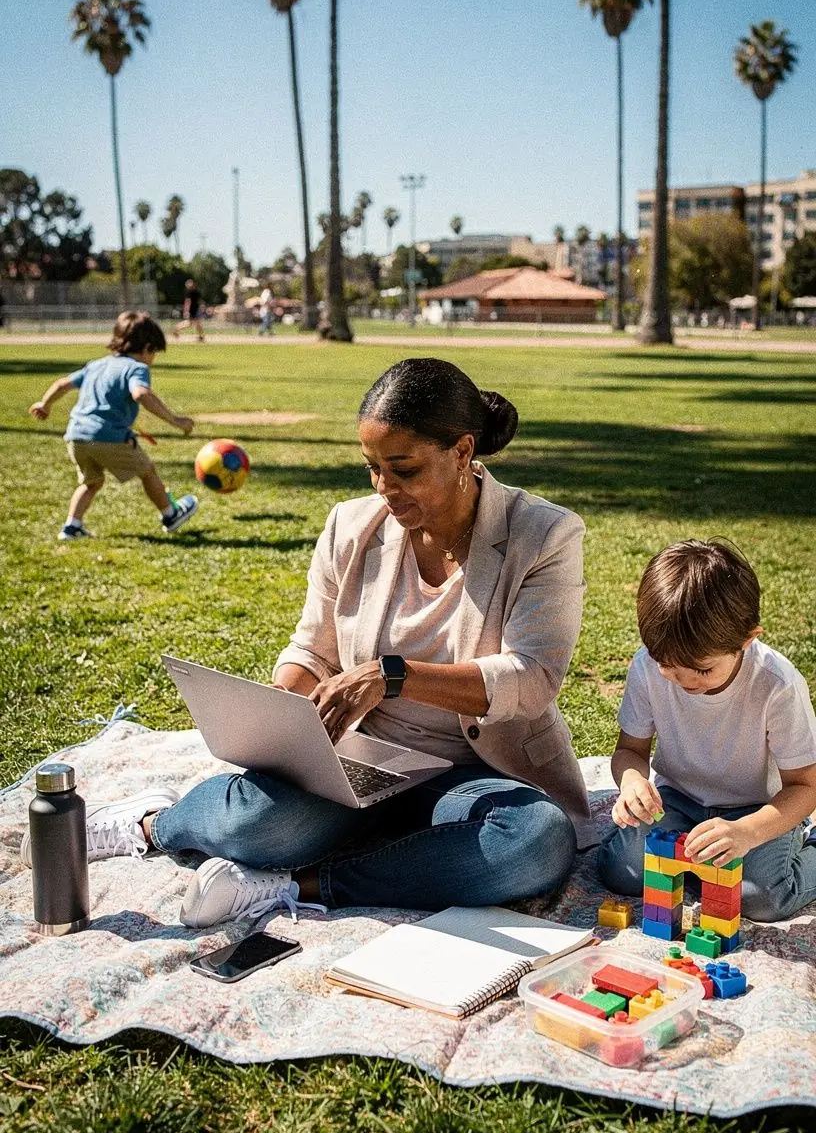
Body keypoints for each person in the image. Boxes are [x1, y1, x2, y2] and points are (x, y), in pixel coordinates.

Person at [52, 357, 596, 926]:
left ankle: (294, 885)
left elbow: (531, 680)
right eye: (372, 468)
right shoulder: (350, 527)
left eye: (403, 469)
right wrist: (281, 716)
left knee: (535, 842)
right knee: (253, 823)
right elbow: (313, 649)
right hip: (357, 761)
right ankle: (152, 824)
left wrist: (393, 675)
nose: (384, 488)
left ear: (462, 452)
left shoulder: (545, 534)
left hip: (475, 773)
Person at [598, 539, 816, 921]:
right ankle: (706, 866)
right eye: (668, 665)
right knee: (622, 870)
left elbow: (805, 786)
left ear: (747, 640)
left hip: (759, 810)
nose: (684, 680)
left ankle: (804, 845)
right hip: (678, 801)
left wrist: (747, 832)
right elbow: (629, 750)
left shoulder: (776, 684)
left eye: (701, 669)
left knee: (760, 898)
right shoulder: (647, 667)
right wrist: (631, 782)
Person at [28, 310, 199, 541]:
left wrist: (45, 404)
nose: (153, 358)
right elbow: (141, 394)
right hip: (110, 438)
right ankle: (170, 514)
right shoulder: (137, 368)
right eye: (155, 352)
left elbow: (62, 384)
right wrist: (176, 420)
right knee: (147, 472)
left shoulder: (96, 365)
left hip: (76, 436)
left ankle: (71, 526)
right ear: (148, 348)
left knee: (91, 482)